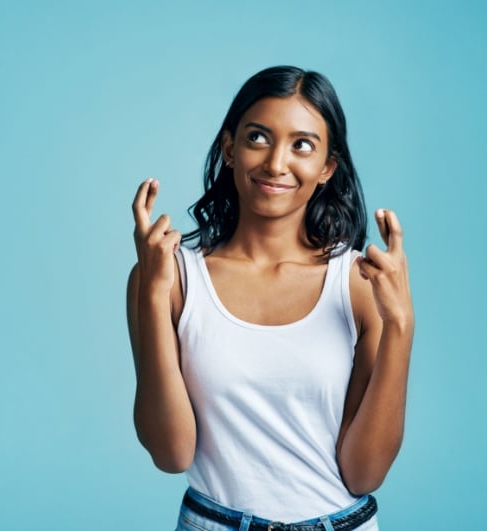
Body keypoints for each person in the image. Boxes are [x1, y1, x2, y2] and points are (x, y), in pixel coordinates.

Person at [127, 66, 414, 531]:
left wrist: (401, 325)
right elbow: (170, 452)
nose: (276, 163)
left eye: (302, 144)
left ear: (327, 168)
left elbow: (365, 473)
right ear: (229, 148)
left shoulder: (358, 283)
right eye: (258, 137)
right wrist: (154, 295)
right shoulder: (170, 277)